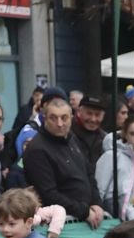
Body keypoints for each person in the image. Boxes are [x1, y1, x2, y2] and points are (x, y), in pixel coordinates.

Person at [22, 91, 107, 226]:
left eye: (64, 118)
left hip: (86, 214)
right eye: (53, 118)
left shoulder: (72, 139)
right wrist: (84, 212)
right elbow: (48, 194)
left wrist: (96, 203)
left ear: (72, 117)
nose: (60, 123)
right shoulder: (37, 149)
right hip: (59, 224)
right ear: (44, 118)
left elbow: (89, 174)